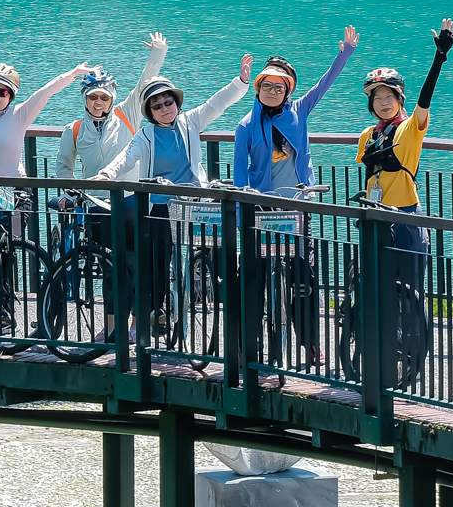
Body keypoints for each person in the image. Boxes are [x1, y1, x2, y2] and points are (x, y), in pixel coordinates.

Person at [94, 56, 253, 336]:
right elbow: (126, 158)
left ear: (177, 103)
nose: (164, 108)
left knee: (217, 254)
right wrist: (107, 174)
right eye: (157, 105)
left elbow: (217, 103)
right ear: (150, 111)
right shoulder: (146, 135)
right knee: (158, 261)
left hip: (193, 203)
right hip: (161, 207)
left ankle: (224, 302)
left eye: (168, 102)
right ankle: (156, 314)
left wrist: (241, 81)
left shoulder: (190, 122)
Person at [0, 57, 96, 333]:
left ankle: (2, 314)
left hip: (15, 194)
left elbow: (45, 92)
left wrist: (73, 74)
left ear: (10, 96)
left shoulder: (18, 115)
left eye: (1, 92)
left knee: (3, 251)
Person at [358, 20, 453, 363]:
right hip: (374, 216)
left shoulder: (410, 128)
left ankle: (413, 352)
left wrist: (439, 58)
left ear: (399, 99)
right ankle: (382, 347)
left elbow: (425, 101)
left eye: (389, 97)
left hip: (405, 216)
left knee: (411, 286)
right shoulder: (369, 134)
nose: (383, 103)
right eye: (377, 98)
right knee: (379, 285)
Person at [53, 33, 168, 243]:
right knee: (107, 264)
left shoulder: (127, 114)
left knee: (135, 259)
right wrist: (69, 193)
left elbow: (145, 81)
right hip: (96, 202)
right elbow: (63, 166)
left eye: (104, 98)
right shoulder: (74, 129)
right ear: (84, 99)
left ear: (112, 99)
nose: (99, 102)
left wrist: (158, 52)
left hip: (130, 199)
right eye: (93, 97)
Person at [233, 26, 359, 196]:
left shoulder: (299, 109)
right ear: (258, 89)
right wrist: (241, 213)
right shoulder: (246, 126)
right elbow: (239, 176)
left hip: (300, 199)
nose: (272, 92)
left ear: (287, 92)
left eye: (279, 88)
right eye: (267, 86)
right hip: (263, 204)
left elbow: (324, 83)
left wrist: (345, 53)